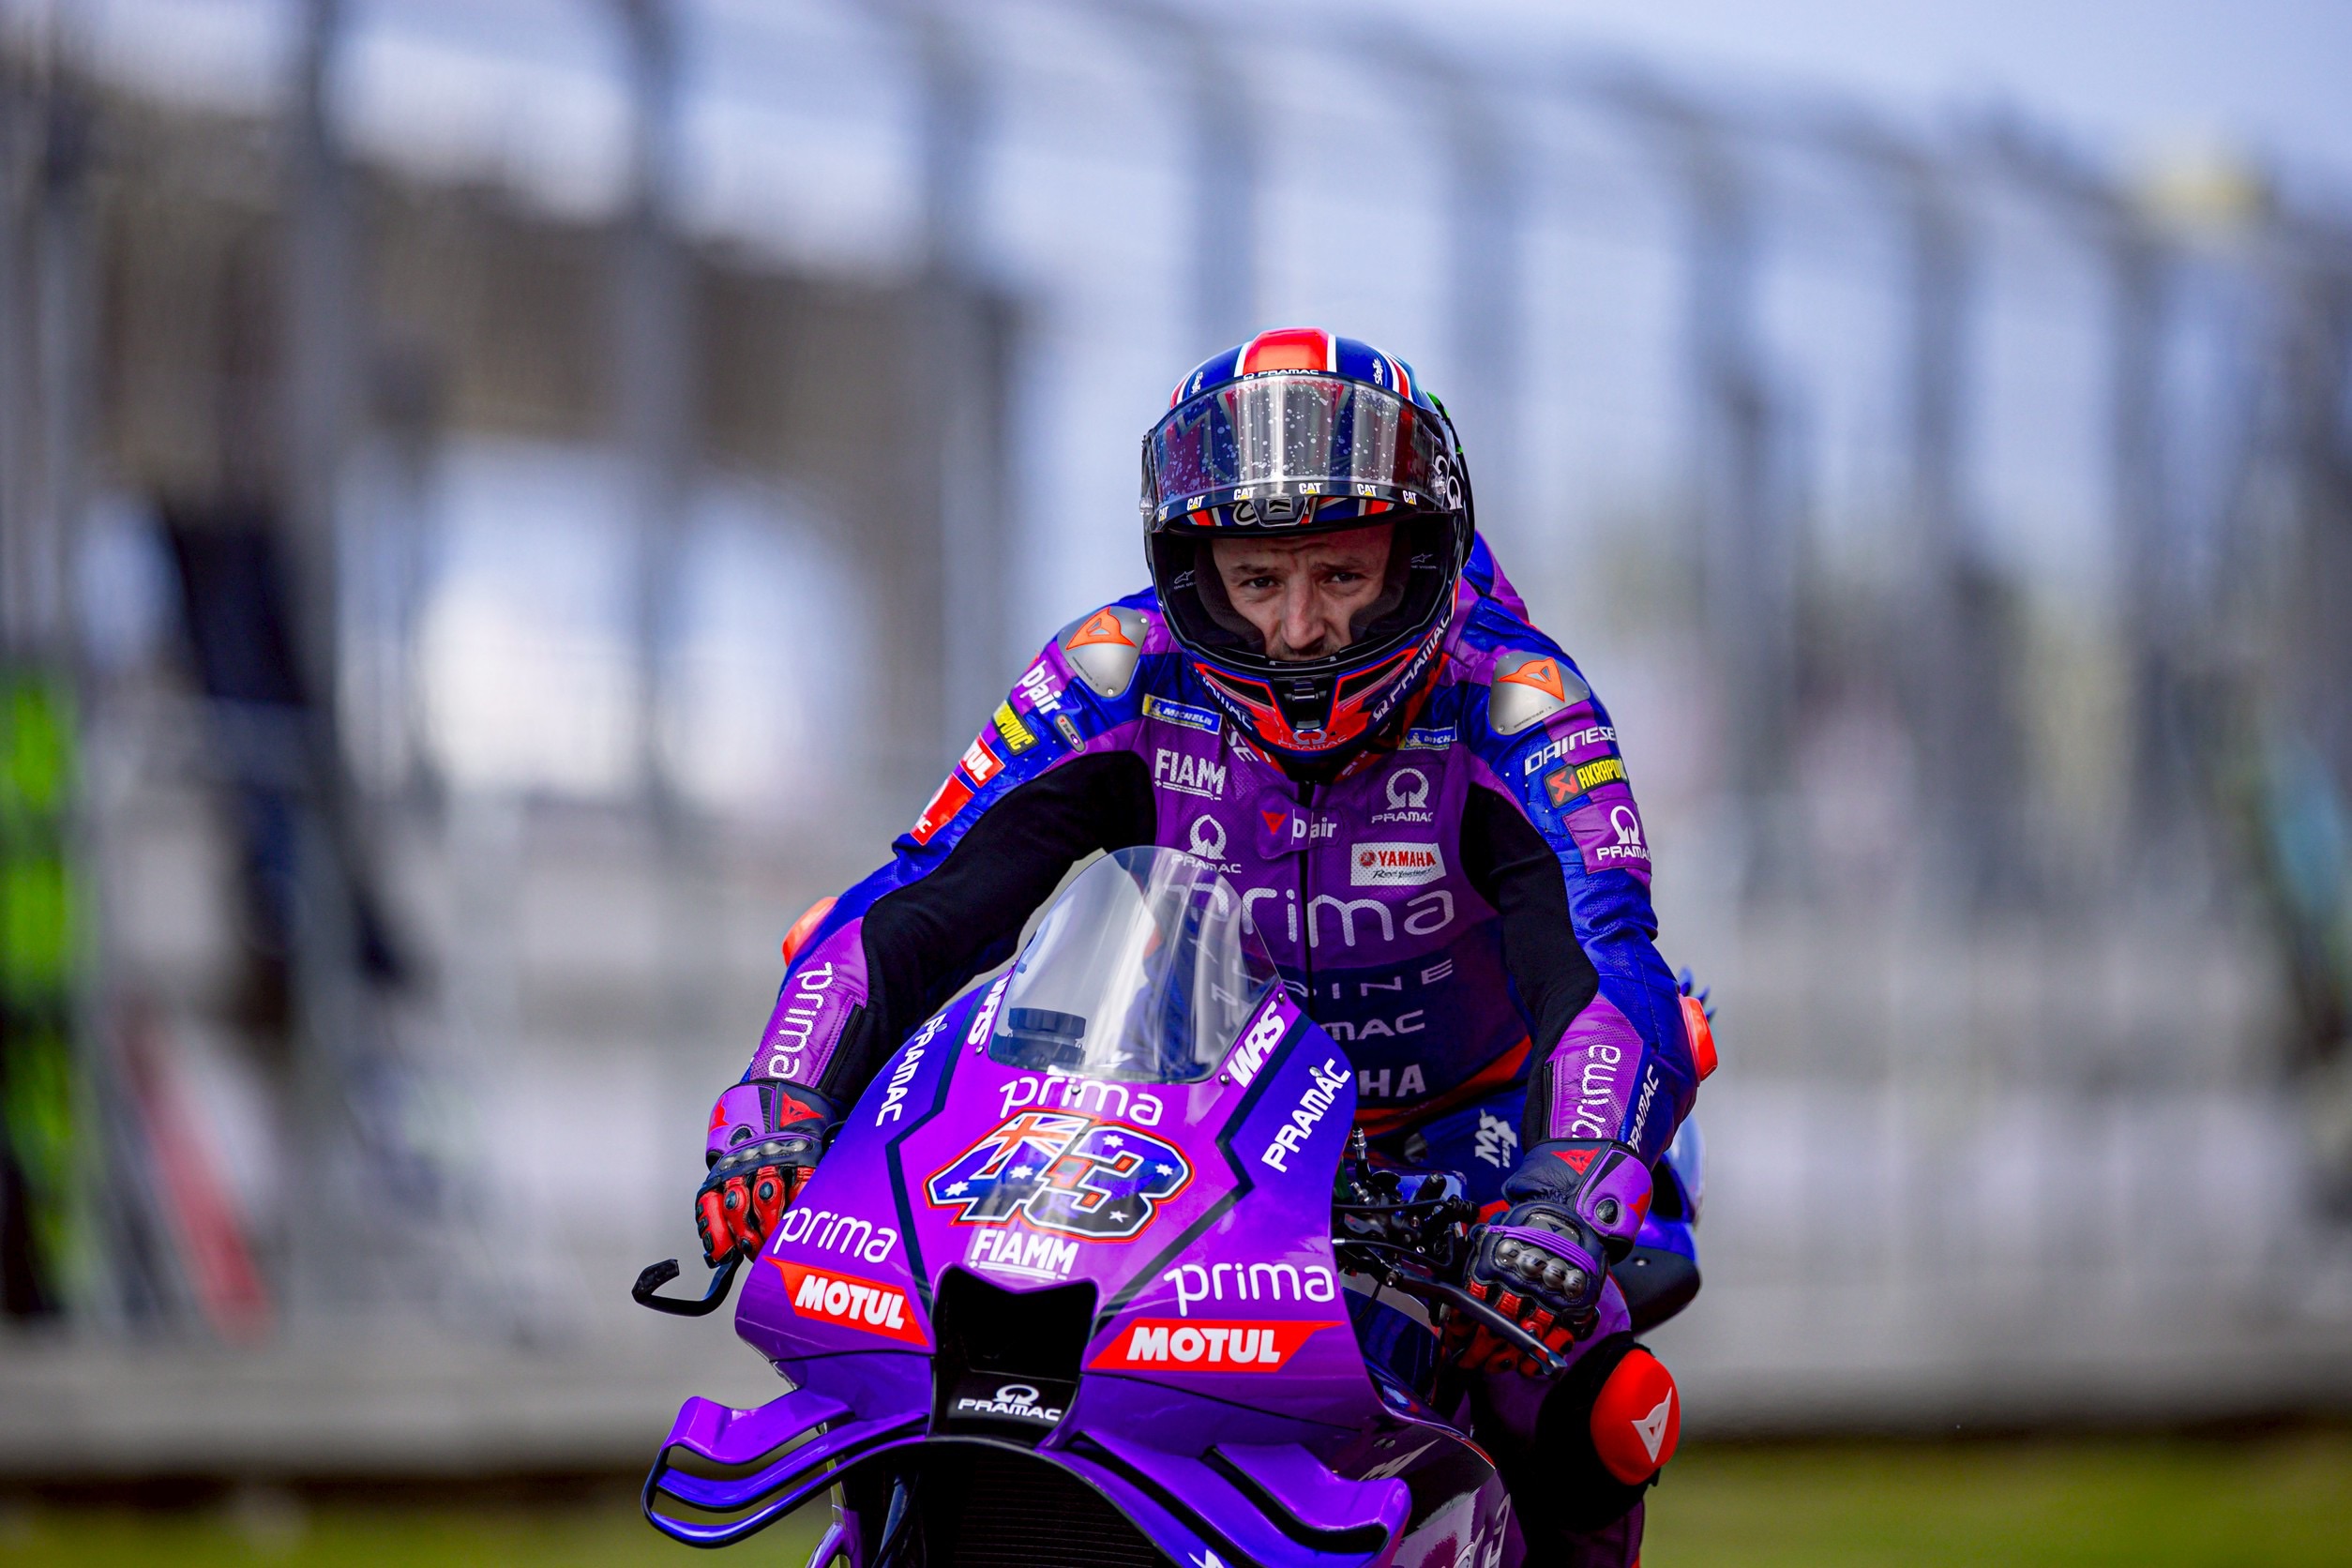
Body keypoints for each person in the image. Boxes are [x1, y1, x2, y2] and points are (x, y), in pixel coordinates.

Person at [690, 327, 1711, 1566]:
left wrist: (1567, 1191)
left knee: (1576, 1404)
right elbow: (917, 900)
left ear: (1416, 556)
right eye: (1257, 579)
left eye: (1342, 574)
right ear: (1193, 572)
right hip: (1203, 1135)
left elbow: (1608, 958)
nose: (1299, 628)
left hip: (1467, 1139)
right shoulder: (1113, 672)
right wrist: (780, 1097)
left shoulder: (1517, 700)